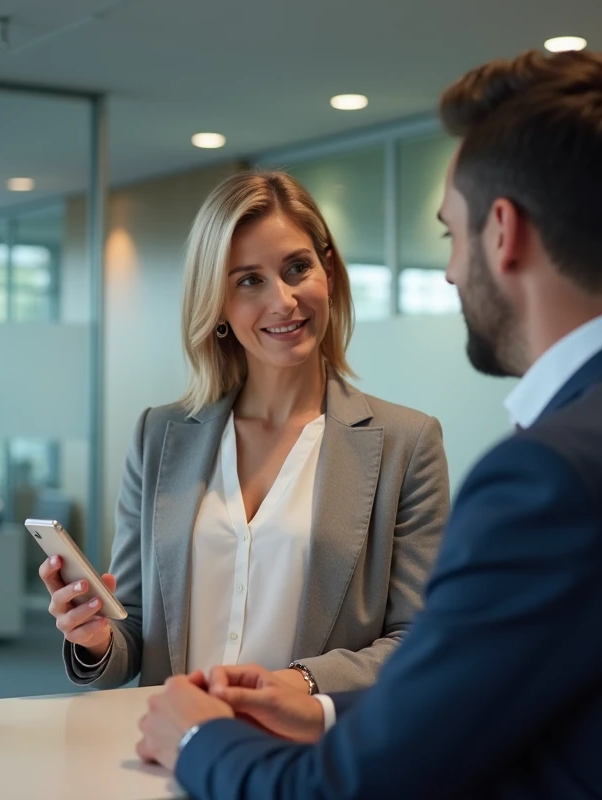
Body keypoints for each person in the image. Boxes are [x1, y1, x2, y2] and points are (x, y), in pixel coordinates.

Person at [136, 50, 602, 799]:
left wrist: (200, 738)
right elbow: (528, 692)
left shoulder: (552, 479)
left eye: (451, 235)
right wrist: (325, 707)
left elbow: (355, 789)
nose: (452, 272)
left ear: (504, 232)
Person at [39, 171, 450, 696]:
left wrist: (297, 684)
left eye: (297, 268)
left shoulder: (406, 444)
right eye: (249, 280)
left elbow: (420, 639)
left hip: (309, 759)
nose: (283, 301)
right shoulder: (159, 435)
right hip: (176, 749)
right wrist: (96, 636)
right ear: (218, 305)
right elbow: (136, 629)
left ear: (329, 271)